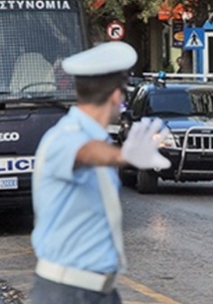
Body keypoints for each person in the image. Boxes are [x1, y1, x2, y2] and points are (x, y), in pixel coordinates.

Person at [29, 41, 172, 304]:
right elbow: (85, 153)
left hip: (100, 291)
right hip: (65, 293)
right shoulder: (66, 136)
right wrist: (123, 156)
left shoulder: (92, 137)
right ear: (118, 96)